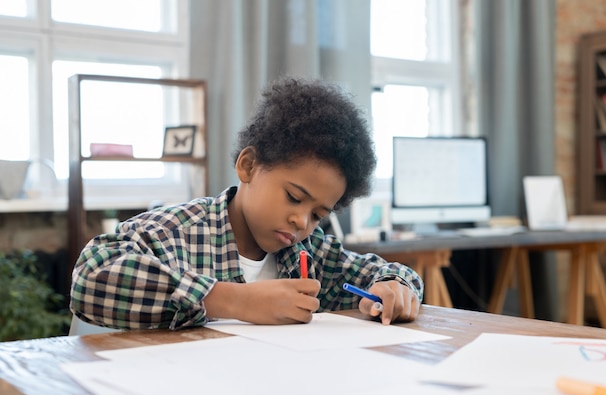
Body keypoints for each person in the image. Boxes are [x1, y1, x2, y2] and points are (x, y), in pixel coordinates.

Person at [70, 77, 423, 330]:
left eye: (318, 214)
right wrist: (238, 301)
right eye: (294, 197)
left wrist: (394, 286)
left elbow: (384, 273)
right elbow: (89, 278)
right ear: (249, 166)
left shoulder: (310, 253)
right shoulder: (174, 234)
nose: (302, 221)